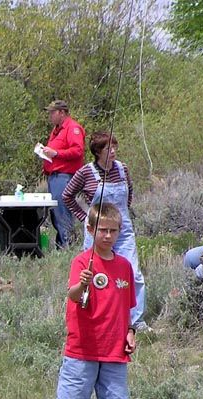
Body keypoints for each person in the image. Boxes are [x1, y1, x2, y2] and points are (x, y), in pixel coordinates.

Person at [56, 203, 136, 399]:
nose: (108, 236)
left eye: (113, 230)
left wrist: (130, 331)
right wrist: (82, 284)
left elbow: (127, 308)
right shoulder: (81, 263)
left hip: (114, 352)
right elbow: (74, 296)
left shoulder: (124, 266)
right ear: (90, 230)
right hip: (82, 350)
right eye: (102, 230)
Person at [62, 131, 148, 331]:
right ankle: (94, 313)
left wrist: (121, 217)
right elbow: (67, 196)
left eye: (115, 147)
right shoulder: (86, 172)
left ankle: (135, 321)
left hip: (123, 229)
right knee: (95, 273)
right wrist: (86, 218)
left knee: (133, 274)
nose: (113, 152)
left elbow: (130, 191)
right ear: (98, 152)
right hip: (97, 231)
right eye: (108, 149)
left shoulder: (122, 169)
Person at [42, 100, 86, 249]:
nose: (50, 116)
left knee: (62, 212)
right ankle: (62, 245)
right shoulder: (56, 130)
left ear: (62, 113)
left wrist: (56, 153)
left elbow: (78, 151)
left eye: (52, 112)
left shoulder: (72, 128)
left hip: (65, 177)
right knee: (56, 214)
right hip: (54, 177)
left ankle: (68, 246)